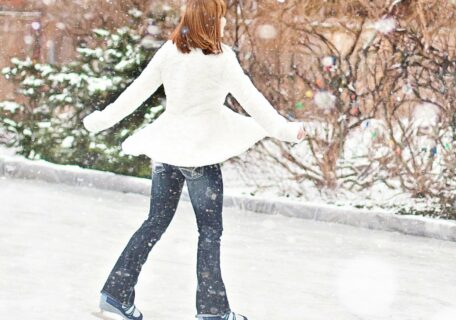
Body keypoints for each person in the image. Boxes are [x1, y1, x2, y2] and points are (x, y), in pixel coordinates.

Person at [82, 0, 306, 319]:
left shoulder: (170, 52)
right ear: (214, 21)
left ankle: (115, 294)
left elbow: (135, 94)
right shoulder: (221, 59)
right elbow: (253, 102)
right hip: (199, 154)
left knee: (154, 222)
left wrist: (100, 120)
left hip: (168, 150)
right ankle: (213, 310)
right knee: (210, 231)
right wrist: (286, 130)